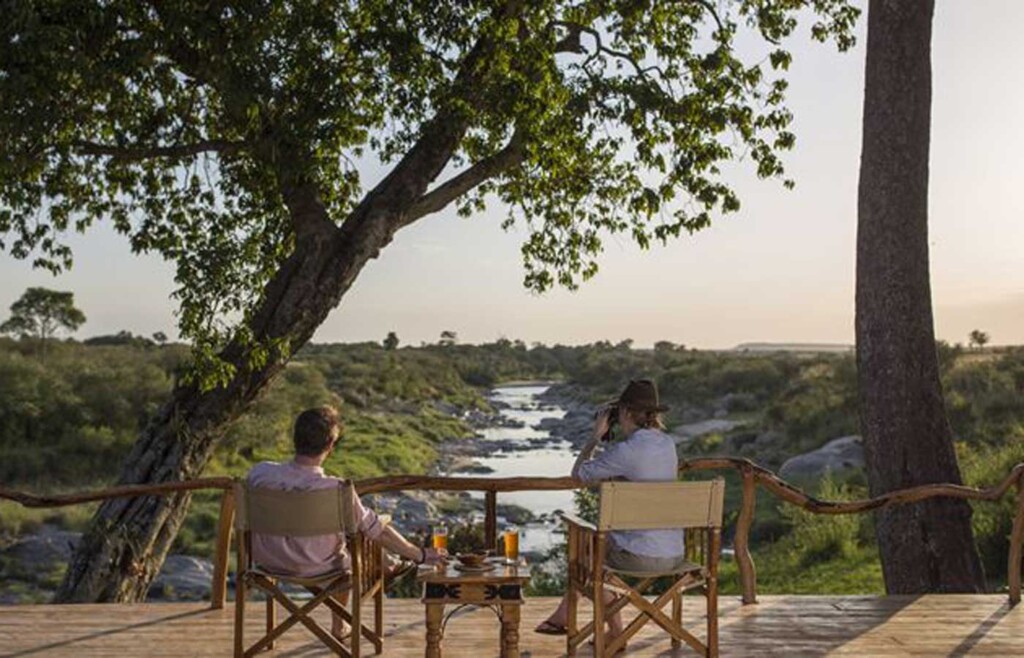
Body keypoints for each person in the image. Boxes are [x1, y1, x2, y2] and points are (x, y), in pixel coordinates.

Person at [247, 405, 446, 642]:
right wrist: (420, 554)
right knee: (356, 542)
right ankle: (342, 622)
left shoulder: (260, 473)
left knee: (351, 535)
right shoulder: (336, 489)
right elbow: (378, 532)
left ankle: (390, 564)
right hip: (319, 566)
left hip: (267, 562)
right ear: (330, 446)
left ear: (295, 438)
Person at [535, 379, 686, 648]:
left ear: (626, 413)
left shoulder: (626, 451)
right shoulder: (668, 445)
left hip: (640, 557)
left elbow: (579, 475)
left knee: (586, 554)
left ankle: (611, 629)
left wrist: (595, 438)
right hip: (675, 554)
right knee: (594, 548)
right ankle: (571, 617)